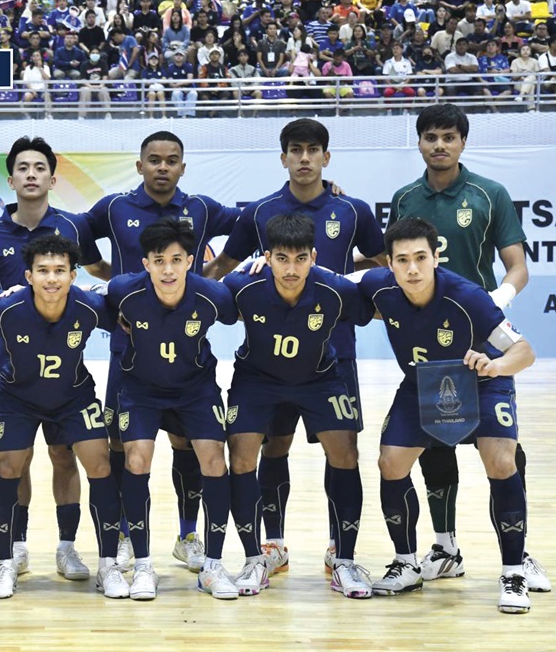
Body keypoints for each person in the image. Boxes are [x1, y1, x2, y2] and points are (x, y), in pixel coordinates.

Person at [205, 119, 384, 575]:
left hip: (333, 353)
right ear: (283, 157)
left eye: (313, 150)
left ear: (327, 156)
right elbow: (223, 266)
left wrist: (346, 274)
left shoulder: (353, 210)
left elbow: (386, 264)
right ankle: (273, 544)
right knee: (274, 447)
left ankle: (339, 549)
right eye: (296, 150)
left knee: (341, 450)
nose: (305, 158)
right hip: (268, 358)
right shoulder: (260, 213)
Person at [388, 104, 549, 593]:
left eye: (449, 137)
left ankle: (518, 555)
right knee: (434, 443)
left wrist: (498, 298)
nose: (439, 145)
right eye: (430, 137)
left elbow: (517, 265)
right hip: (428, 339)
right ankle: (445, 548)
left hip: (481, 331)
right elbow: (390, 257)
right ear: (419, 142)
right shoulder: (404, 198)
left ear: (462, 142)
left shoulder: (488, 194)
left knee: (503, 452)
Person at [358, 217, 535, 614]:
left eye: (421, 257)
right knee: (390, 462)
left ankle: (513, 572)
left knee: (500, 460)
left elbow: (524, 351)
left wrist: (495, 365)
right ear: (389, 263)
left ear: (436, 257)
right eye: (402, 260)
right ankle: (406, 563)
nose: (413, 268)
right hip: (421, 384)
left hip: (483, 382)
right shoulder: (378, 286)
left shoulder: (469, 297)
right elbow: (328, 280)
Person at [85, 131, 239, 574]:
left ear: (182, 167)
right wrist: (109, 275)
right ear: (140, 166)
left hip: (186, 356)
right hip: (131, 350)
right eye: (154, 159)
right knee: (123, 444)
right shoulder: (115, 208)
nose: (163, 167)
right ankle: (127, 536)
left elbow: (252, 223)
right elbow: (74, 233)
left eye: (172, 160)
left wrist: (213, 272)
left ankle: (188, 535)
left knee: (187, 442)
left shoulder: (201, 208)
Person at [0, 137, 109, 579]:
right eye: (23, 168)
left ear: (53, 177)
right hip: (11, 370)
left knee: (64, 457)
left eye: (40, 167)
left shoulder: (72, 226)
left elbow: (98, 270)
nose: (31, 174)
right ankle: (17, 546)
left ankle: (67, 548)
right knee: (17, 459)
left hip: (65, 371)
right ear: (10, 180)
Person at [221, 214, 373, 600]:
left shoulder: (336, 289)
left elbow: (382, 303)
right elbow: (199, 301)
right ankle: (257, 556)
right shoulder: (242, 285)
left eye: (300, 259)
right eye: (282, 259)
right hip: (257, 379)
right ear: (267, 257)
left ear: (313, 257)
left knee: (346, 452)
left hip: (319, 378)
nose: (291, 269)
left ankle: (344, 559)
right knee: (241, 456)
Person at [0, 235, 127, 599]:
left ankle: (96, 559)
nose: (51, 278)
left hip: (72, 397)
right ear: (28, 276)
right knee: (9, 466)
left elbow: (130, 308)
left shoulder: (89, 305)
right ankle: (7, 558)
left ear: (73, 275)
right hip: (17, 397)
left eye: (60, 270)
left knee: (98, 462)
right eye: (43, 271)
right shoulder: (6, 308)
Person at [101, 217, 238, 600]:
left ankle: (212, 565)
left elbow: (244, 304)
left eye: (176, 260)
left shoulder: (212, 295)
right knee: (136, 459)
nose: (168, 270)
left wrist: (259, 263)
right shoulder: (123, 291)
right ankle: (143, 565)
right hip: (141, 390)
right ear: (145, 263)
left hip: (195, 390)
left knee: (214, 460)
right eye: (159, 261)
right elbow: (93, 300)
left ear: (190, 261)